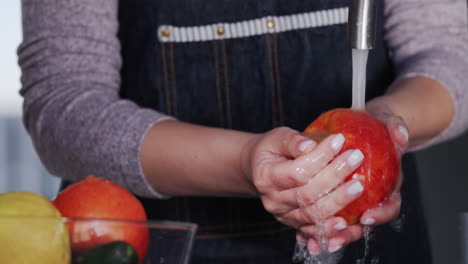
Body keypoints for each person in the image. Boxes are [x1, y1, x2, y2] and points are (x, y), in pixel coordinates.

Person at [18, 0, 468, 263]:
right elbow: (63, 105)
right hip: (167, 248)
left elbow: (452, 57)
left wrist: (384, 125)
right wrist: (245, 161)